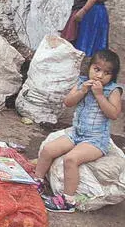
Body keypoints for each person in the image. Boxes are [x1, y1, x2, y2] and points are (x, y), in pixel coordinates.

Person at [34, 50, 122, 212]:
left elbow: (114, 114)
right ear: (89, 68)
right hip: (76, 133)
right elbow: (68, 102)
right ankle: (37, 182)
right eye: (97, 69)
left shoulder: (113, 90)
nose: (100, 76)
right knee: (48, 149)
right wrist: (82, 91)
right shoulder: (82, 82)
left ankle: (68, 201)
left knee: (71, 159)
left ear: (112, 76)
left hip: (96, 140)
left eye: (107, 73)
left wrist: (100, 96)